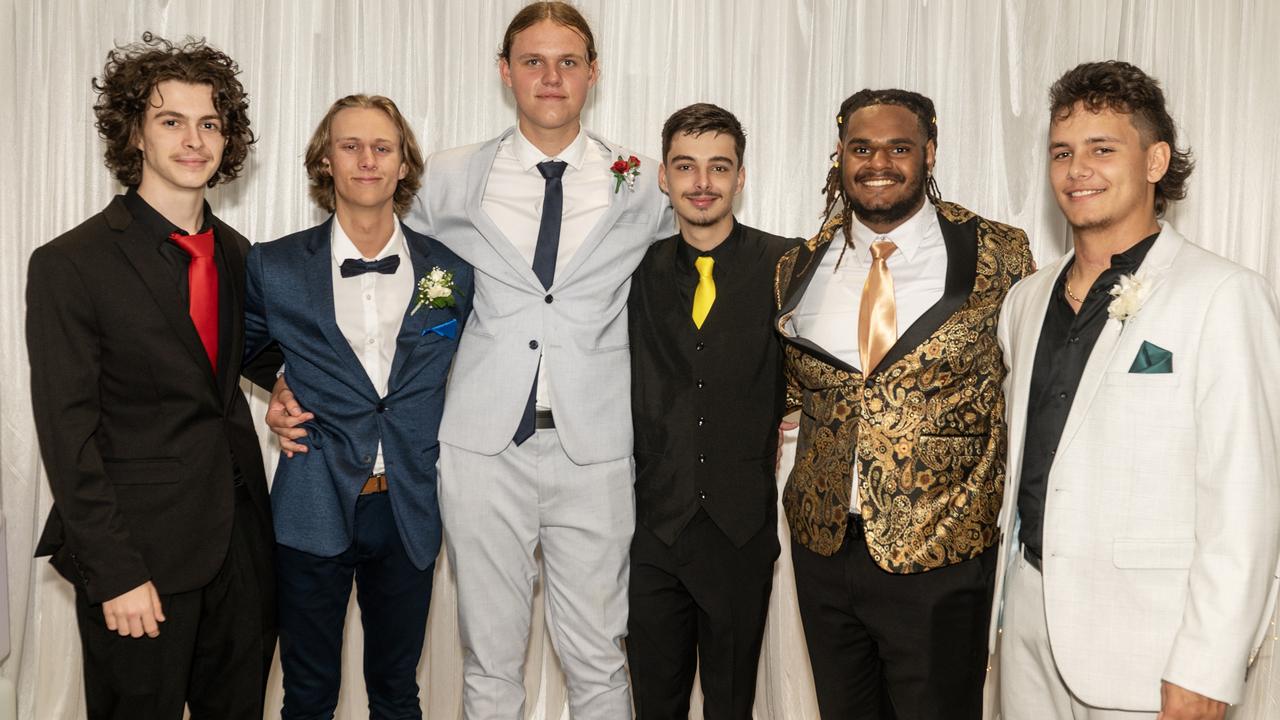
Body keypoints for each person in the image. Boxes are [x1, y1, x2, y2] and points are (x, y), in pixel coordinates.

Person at [267, 3, 672, 717]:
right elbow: (384, 285)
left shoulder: (640, 182)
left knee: (602, 658)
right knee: (489, 656)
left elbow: (684, 284)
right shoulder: (449, 179)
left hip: (598, 448)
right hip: (479, 449)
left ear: (593, 73)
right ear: (505, 72)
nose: (551, 76)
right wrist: (286, 378)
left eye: (568, 61)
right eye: (533, 61)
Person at [991, 60, 1280, 720]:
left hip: (1149, 650)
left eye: (1101, 149)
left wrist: (1208, 664)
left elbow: (1247, 498)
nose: (1075, 170)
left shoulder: (1223, 295)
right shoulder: (1026, 301)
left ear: (1154, 161)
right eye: (1061, 152)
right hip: (1026, 622)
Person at [25, 33, 275, 718]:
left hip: (244, 556)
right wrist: (116, 572)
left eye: (210, 123)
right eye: (171, 121)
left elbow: (261, 357)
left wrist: (288, 388)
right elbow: (67, 433)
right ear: (134, 132)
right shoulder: (69, 264)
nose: (194, 140)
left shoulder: (241, 256)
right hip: (140, 561)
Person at [773, 88, 1033, 719]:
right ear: (839, 157)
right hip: (825, 547)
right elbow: (792, 394)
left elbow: (1025, 385)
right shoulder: (797, 265)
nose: (878, 162)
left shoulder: (1000, 253)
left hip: (943, 553)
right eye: (861, 148)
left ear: (929, 154)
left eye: (899, 147)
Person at [242, 95, 472, 719]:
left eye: (383, 147)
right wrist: (279, 390)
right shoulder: (275, 264)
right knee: (308, 694)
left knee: (397, 692)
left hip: (408, 506)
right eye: (351, 146)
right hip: (311, 500)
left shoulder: (450, 270)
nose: (367, 160)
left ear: (403, 165)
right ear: (325, 161)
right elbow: (240, 349)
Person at [626, 103, 797, 718]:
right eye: (686, 166)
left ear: (741, 177)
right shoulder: (633, 271)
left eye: (718, 167)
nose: (702, 182)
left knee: (732, 704)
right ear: (665, 178)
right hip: (651, 528)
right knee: (654, 705)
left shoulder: (789, 265)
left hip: (739, 531)